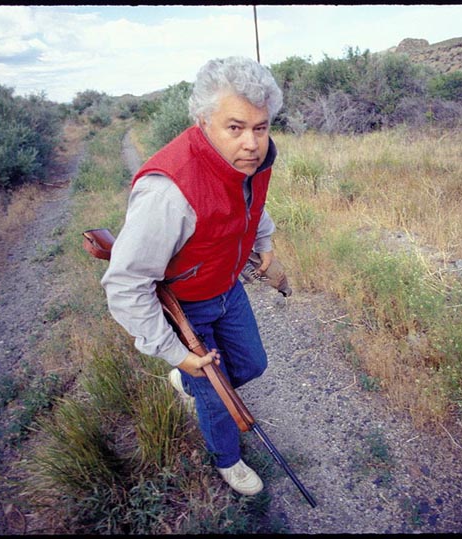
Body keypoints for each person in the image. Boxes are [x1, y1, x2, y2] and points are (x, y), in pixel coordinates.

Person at [101, 56, 283, 496]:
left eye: (260, 128)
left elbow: (250, 202)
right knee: (216, 394)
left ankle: (189, 385)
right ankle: (228, 459)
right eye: (235, 127)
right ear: (203, 121)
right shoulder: (168, 192)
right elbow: (125, 284)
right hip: (187, 305)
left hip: (227, 288)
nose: (252, 143)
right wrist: (173, 351)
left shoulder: (250, 160)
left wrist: (264, 241)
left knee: (252, 365)